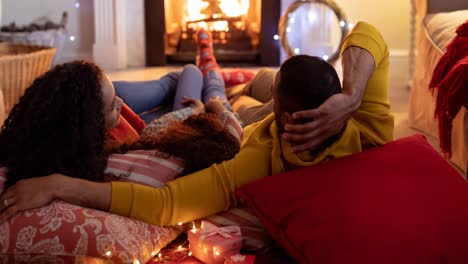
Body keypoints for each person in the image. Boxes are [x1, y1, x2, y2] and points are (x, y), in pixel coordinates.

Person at [0, 22, 394, 226]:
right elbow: (369, 33)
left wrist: (59, 185)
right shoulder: (370, 126)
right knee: (250, 81)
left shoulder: (259, 159)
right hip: (233, 113)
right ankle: (217, 69)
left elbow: (166, 204)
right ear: (338, 99)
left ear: (283, 115)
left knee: (218, 86)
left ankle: (211, 62)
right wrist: (353, 96)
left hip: (233, 118)